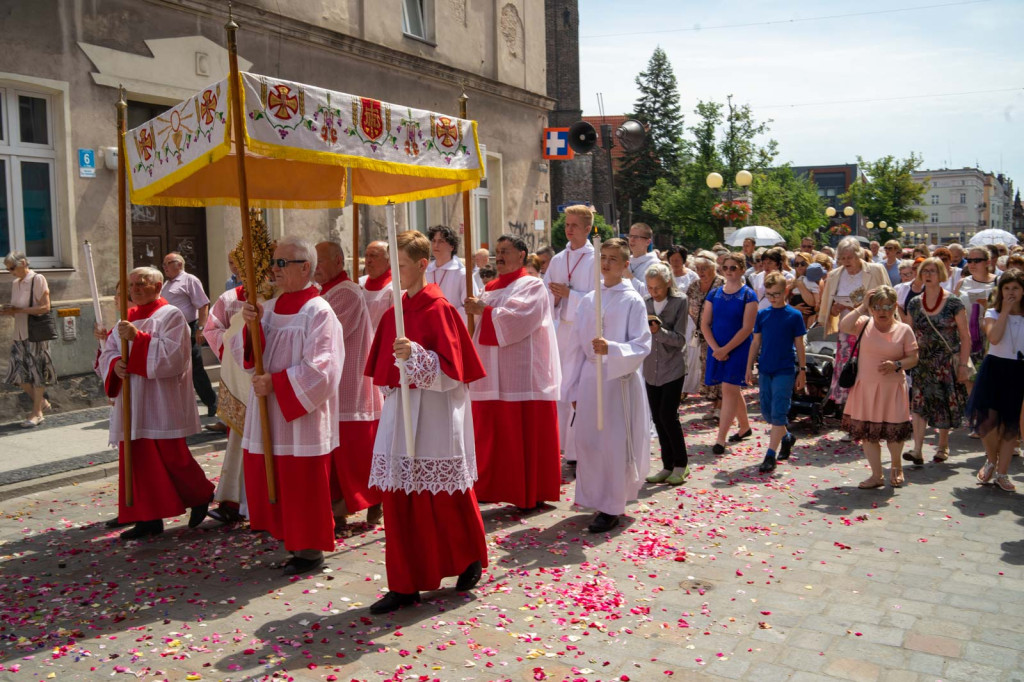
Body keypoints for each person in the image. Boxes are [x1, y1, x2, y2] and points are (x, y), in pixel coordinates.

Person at [364, 230, 488, 614]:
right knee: (399, 497)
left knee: (444, 493)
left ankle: (468, 557)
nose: (395, 275)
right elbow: (383, 374)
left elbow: (454, 372)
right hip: (401, 411)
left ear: (421, 266)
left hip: (435, 412)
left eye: (400, 266)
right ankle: (404, 584)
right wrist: (398, 364)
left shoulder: (441, 310)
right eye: (392, 267)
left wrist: (417, 355)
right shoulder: (393, 312)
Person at [235, 236, 345, 575]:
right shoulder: (269, 308)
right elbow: (251, 357)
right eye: (274, 262)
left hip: (300, 414)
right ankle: (290, 540)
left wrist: (278, 384)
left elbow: (323, 369)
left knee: (302, 482)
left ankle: (309, 550)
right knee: (277, 478)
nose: (274, 269)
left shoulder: (319, 311)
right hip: (269, 407)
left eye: (283, 263)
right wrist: (252, 327)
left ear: (306, 268)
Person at [98, 266, 214, 539]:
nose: (135, 288)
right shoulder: (126, 318)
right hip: (133, 398)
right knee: (138, 460)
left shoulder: (171, 315)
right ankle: (148, 518)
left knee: (172, 456)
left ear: (158, 286)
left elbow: (173, 358)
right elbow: (110, 353)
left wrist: (137, 339)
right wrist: (115, 365)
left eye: (142, 283)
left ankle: (200, 494)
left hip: (160, 398)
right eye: (132, 285)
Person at [464, 234, 561, 511]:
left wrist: (485, 310)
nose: (500, 257)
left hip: (522, 374)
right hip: (491, 375)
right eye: (497, 251)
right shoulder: (489, 287)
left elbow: (519, 320)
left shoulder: (531, 285)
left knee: (521, 436)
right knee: (490, 434)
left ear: (522, 254)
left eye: (505, 251)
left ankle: (529, 491)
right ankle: (489, 485)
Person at [563, 238, 651, 533]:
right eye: (604, 257)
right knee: (589, 441)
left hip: (617, 380)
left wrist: (611, 348)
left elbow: (641, 344)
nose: (606, 263)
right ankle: (593, 496)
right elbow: (576, 346)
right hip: (590, 378)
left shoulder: (632, 300)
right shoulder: (589, 299)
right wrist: (573, 386)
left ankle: (612, 506)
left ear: (626, 264)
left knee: (613, 444)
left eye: (614, 259)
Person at [315, 241, 384, 527]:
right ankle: (339, 504)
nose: (314, 267)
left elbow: (326, 336)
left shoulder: (346, 293)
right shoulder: (326, 292)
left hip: (350, 386)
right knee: (336, 449)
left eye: (320, 261)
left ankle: (360, 500)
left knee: (351, 450)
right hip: (333, 384)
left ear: (338, 261)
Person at [200, 257, 261, 523]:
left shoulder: (280, 295)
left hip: (267, 378)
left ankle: (266, 502)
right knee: (239, 440)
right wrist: (235, 354)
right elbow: (212, 329)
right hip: (239, 376)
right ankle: (234, 500)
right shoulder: (229, 298)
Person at [839, 286, 919, 488]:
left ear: (894, 307)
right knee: (868, 435)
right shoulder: (864, 324)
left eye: (887, 306)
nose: (882, 311)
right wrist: (862, 306)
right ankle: (877, 475)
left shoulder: (904, 330)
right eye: (877, 306)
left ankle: (896, 466)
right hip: (866, 388)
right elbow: (843, 325)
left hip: (892, 389)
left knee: (893, 434)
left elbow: (914, 358)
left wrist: (897, 364)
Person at [903, 257, 970, 465]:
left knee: (943, 404)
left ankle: (943, 445)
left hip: (946, 363)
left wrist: (962, 365)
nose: (928, 275)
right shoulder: (914, 303)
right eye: (925, 271)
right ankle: (917, 450)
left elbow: (965, 336)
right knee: (918, 405)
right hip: (922, 364)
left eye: (933, 271)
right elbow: (908, 333)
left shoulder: (953, 302)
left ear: (941, 275)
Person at [543, 205, 596, 466]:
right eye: (567, 224)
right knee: (561, 388)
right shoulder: (556, 260)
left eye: (575, 225)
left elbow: (599, 299)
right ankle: (561, 446)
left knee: (580, 389)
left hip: (584, 332)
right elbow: (545, 294)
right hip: (562, 329)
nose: (569, 229)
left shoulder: (595, 259)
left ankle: (578, 451)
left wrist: (570, 296)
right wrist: (553, 298)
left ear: (587, 229)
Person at [818, 238, 890, 419]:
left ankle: (872, 413)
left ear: (859, 255)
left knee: (869, 371)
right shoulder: (835, 275)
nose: (846, 261)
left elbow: (889, 296)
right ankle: (850, 415)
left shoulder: (875, 270)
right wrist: (835, 309)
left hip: (872, 328)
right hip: (846, 331)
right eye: (842, 257)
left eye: (850, 257)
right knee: (849, 371)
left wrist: (859, 307)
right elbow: (829, 307)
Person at [967, 270, 1024, 492]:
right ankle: (991, 460)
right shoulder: (992, 312)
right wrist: (1006, 311)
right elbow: (994, 338)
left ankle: (1002, 472)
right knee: (987, 422)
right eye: (1007, 288)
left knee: (1010, 424)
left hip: (1019, 370)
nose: (1011, 292)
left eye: (1016, 288)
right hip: (995, 368)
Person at [746, 272, 806, 473]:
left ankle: (770, 455)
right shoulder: (763, 315)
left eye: (777, 294)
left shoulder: (794, 315)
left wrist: (803, 370)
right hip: (765, 368)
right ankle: (787, 437)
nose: (773, 298)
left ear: (786, 292)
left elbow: (800, 345)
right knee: (767, 412)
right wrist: (748, 367)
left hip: (785, 369)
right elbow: (756, 342)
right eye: (769, 294)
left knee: (779, 412)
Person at [702, 252, 758, 454]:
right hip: (716, 347)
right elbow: (705, 323)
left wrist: (726, 349)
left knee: (728, 389)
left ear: (742, 269)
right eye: (725, 267)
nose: (728, 271)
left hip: (738, 349)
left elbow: (747, 328)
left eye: (733, 267)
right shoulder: (714, 293)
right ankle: (744, 427)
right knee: (732, 390)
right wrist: (716, 348)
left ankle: (721, 438)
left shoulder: (748, 295)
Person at [642, 263, 690, 485]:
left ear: (668, 283)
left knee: (668, 416)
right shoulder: (645, 303)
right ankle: (667, 465)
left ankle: (681, 464)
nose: (654, 292)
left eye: (658, 288)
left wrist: (658, 331)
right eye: (650, 288)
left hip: (672, 368)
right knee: (657, 419)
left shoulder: (680, 301)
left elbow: (680, 339)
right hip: (651, 369)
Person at [2, 251, 55, 427]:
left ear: (23, 263)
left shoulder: (37, 279)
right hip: (19, 333)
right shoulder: (16, 283)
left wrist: (19, 310)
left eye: (12, 268)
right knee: (16, 374)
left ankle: (37, 413)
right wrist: (9, 311)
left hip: (35, 334)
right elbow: (18, 309)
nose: (11, 272)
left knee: (37, 372)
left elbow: (45, 308)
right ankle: (41, 403)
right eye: (8, 269)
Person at [161, 252, 217, 417]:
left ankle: (212, 402)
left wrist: (201, 327)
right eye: (163, 264)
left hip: (189, 327)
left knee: (195, 368)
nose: (164, 267)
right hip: (170, 330)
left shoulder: (189, 280)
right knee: (176, 369)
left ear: (178, 264)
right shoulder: (166, 284)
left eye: (167, 263)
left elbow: (203, 304)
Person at [683, 253, 725, 415]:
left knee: (719, 366)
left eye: (705, 268)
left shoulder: (722, 284)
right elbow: (686, 305)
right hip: (701, 334)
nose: (701, 272)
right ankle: (715, 404)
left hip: (719, 333)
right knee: (707, 367)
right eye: (698, 268)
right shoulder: (694, 286)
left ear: (714, 267)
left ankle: (722, 406)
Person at [955, 246, 998, 394]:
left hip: (989, 337)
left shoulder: (998, 282)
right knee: (969, 381)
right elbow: (953, 308)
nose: (972, 264)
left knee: (988, 382)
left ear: (987, 262)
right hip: (967, 338)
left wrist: (988, 306)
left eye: (977, 260)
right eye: (969, 260)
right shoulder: (962, 283)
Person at [426, 225, 473, 320]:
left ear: (452, 246)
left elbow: (469, 306)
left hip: (452, 325)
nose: (436, 245)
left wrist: (446, 316)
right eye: (434, 241)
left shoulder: (462, 273)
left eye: (441, 241)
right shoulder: (426, 271)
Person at [358, 240, 393, 329]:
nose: (368, 261)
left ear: (388, 260)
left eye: (373, 256)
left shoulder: (396, 287)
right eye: (366, 256)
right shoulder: (359, 284)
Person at [626, 222, 659, 298]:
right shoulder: (626, 261)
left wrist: (628, 276)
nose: (632, 240)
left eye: (636, 237)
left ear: (648, 242)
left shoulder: (655, 265)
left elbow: (650, 293)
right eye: (630, 236)